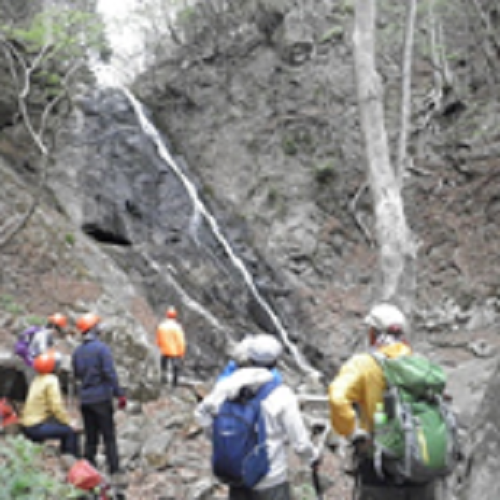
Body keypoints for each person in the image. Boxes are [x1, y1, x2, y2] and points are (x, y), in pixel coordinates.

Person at [328, 303, 436, 500]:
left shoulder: (363, 364)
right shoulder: (419, 363)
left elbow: (337, 397)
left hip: (379, 464)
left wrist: (352, 432)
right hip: (421, 462)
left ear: (372, 333)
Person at [195, 333, 320, 500]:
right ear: (276, 362)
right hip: (271, 478)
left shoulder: (225, 386)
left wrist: (221, 439)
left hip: (236, 474)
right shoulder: (281, 394)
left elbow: (201, 414)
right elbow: (300, 442)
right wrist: (313, 458)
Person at [72, 312, 127, 480]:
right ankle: (115, 470)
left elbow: (77, 374)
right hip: (101, 398)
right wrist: (120, 394)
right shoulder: (102, 349)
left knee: (90, 438)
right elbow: (109, 373)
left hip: (86, 399)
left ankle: (88, 471)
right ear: (94, 329)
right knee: (109, 437)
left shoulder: (77, 352)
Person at [21, 350, 80, 457]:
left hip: (27, 424)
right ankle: (71, 460)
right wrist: (69, 422)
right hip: (36, 427)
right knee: (70, 432)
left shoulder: (37, 379)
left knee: (61, 427)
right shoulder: (51, 380)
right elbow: (56, 406)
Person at [156, 306, 186, 387]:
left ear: (167, 315)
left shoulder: (161, 326)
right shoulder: (177, 327)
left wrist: (160, 345)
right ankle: (174, 383)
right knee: (175, 367)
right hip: (174, 351)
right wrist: (182, 352)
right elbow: (181, 341)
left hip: (164, 350)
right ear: (175, 316)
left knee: (163, 364)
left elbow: (159, 338)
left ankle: (163, 379)